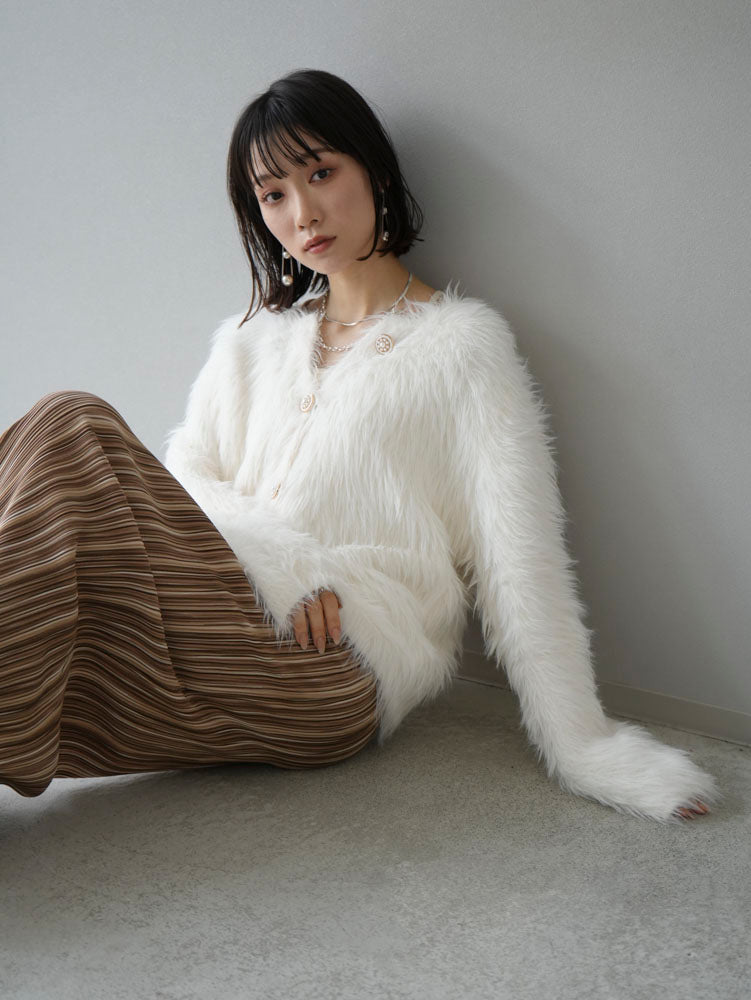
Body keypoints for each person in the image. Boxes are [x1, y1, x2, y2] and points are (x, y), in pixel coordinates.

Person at [0, 70, 719, 822]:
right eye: (272, 194)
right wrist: (283, 566)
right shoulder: (249, 344)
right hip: (212, 618)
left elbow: (518, 562)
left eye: (320, 173)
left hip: (335, 665)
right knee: (49, 497)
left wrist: (585, 746)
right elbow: (185, 483)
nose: (302, 212)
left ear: (372, 170)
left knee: (71, 423)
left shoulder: (460, 349)